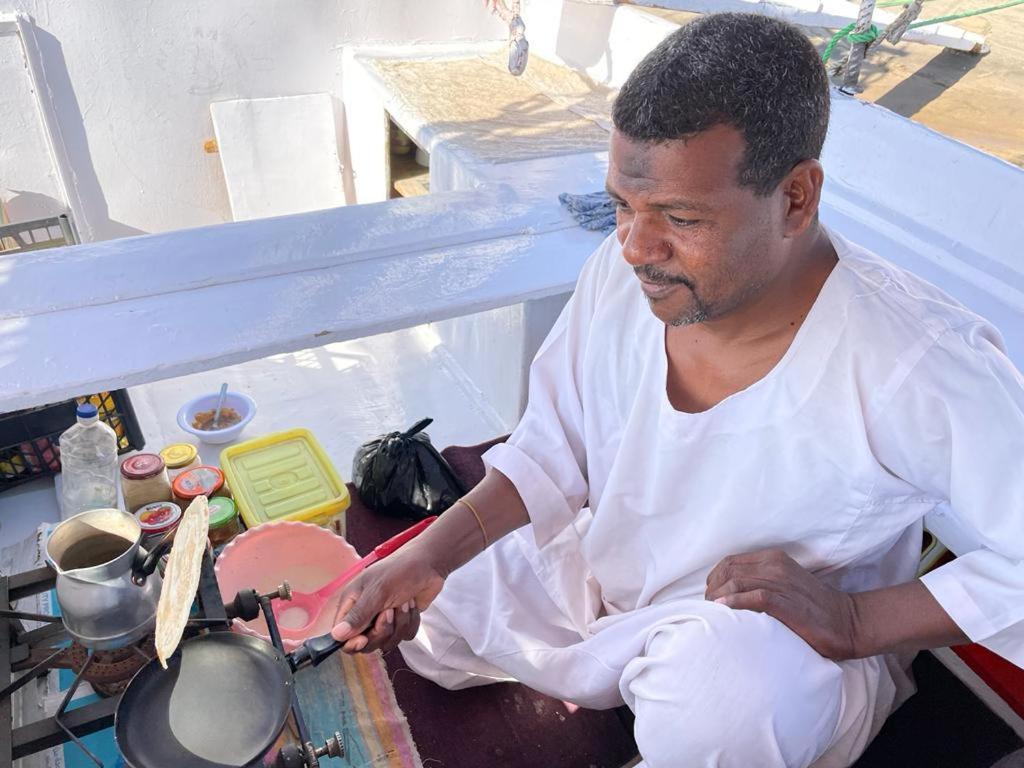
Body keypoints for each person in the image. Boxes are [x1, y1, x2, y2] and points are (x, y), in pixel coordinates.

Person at [328, 13, 1024, 767]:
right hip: (607, 575)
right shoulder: (626, 269)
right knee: (435, 611)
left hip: (760, 644)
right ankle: (610, 666)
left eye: (680, 217)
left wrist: (856, 622)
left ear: (796, 198)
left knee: (719, 705)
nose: (634, 248)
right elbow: (556, 441)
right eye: (624, 206)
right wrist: (430, 557)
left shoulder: (917, 360)